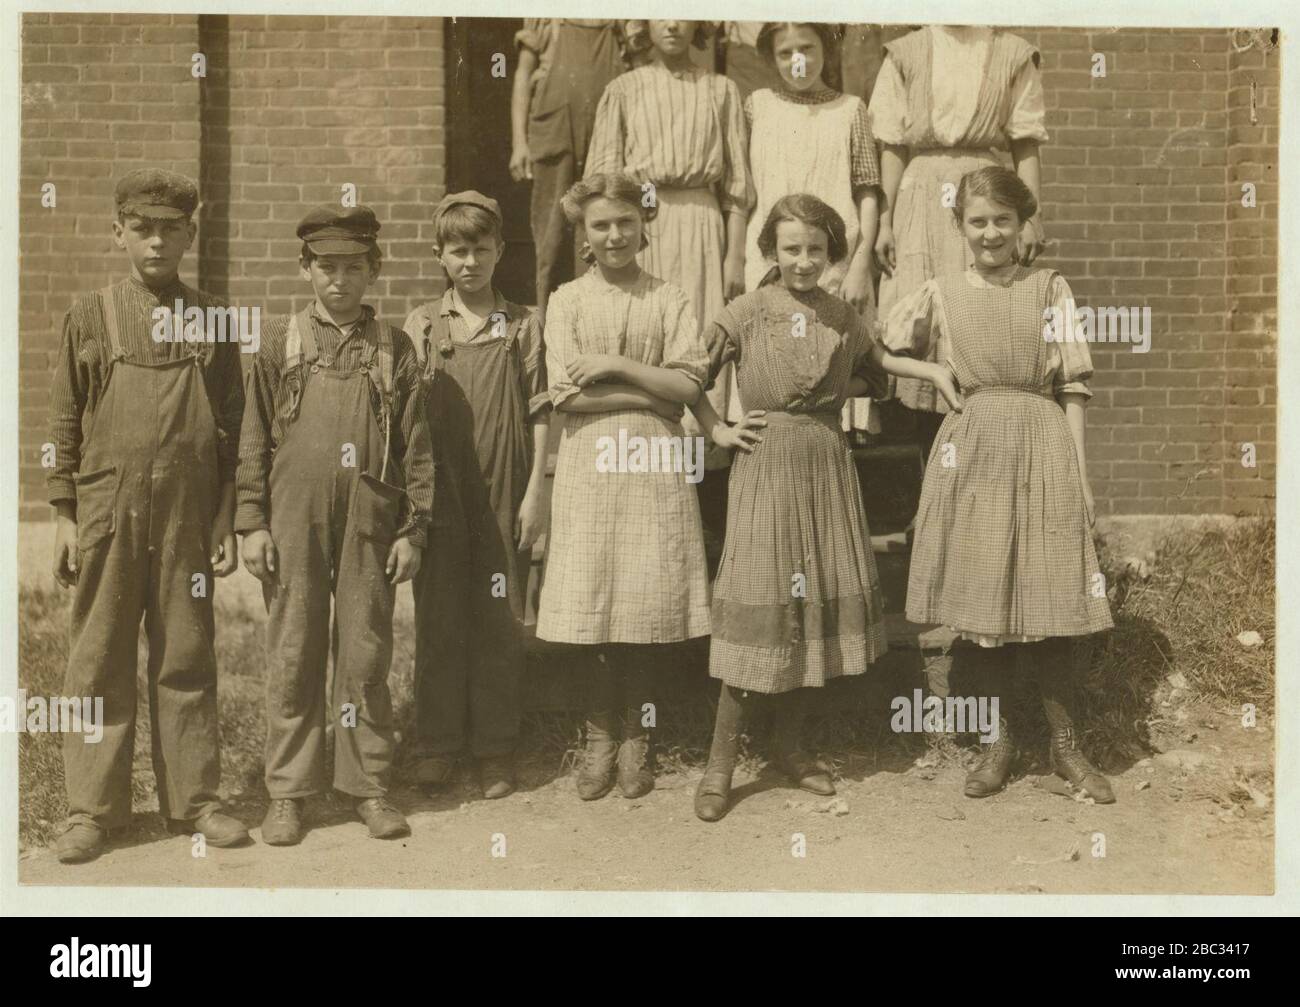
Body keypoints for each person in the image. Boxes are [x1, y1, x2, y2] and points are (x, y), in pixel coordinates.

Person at [872, 166, 1114, 802]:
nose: (990, 232)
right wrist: (926, 369)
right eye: (977, 221)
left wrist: (1081, 479)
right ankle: (998, 744)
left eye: (1002, 220)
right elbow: (874, 349)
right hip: (972, 449)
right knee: (984, 607)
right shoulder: (941, 290)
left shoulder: (1049, 288)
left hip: (1042, 446)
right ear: (959, 227)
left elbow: (1074, 387)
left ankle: (1067, 748)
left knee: (1054, 600)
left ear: (1021, 224)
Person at [47, 168, 248, 863]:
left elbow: (233, 426)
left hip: (188, 513)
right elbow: (65, 421)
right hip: (109, 511)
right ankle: (91, 809)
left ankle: (195, 799)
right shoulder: (89, 315)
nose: (157, 241)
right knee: (98, 654)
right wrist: (66, 515)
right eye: (142, 228)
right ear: (119, 232)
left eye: (171, 228)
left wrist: (224, 516)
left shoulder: (215, 321)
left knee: (186, 650)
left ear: (191, 233)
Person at [237, 206, 435, 844]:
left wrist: (414, 530)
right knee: (293, 650)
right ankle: (290, 791)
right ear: (305, 269)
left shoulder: (394, 347)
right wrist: (252, 522)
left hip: (370, 521)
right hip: (295, 520)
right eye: (326, 267)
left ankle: (366, 785)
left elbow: (417, 449)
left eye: (353, 267)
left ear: (374, 270)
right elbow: (251, 440)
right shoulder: (280, 341)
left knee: (366, 650)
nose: (339, 280)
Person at [690, 194, 889, 822]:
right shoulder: (745, 312)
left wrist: (833, 395)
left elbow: (877, 377)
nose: (804, 261)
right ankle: (720, 765)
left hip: (826, 465)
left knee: (813, 606)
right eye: (790, 249)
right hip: (764, 466)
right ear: (770, 252)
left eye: (816, 250)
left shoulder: (842, 316)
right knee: (761, 603)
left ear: (832, 253)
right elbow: (690, 377)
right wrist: (718, 429)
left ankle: (789, 748)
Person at [536, 173, 711, 801]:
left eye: (625, 223)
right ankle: (599, 736)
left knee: (644, 598)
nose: (614, 235)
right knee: (596, 597)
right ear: (585, 234)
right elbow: (565, 395)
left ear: (644, 225)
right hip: (590, 465)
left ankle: (641, 737)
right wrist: (653, 391)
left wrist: (614, 364)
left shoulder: (668, 298)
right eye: (601, 226)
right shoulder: (566, 301)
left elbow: (690, 386)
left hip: (654, 465)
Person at [584, 19, 754, 554]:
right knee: (644, 339)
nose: (673, 23)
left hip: (703, 226)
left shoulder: (721, 89)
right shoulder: (623, 90)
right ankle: (647, 506)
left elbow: (738, 186)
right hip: (638, 231)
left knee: (699, 354)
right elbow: (600, 186)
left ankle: (706, 515)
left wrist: (733, 254)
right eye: (659, 12)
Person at [402, 191, 550, 800]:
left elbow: (543, 412)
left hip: (506, 481)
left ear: (498, 252)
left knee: (498, 616)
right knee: (439, 615)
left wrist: (537, 490)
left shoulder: (522, 324)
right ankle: (436, 744)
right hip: (441, 491)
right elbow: (406, 418)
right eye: (457, 251)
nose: (470, 262)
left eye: (481, 249)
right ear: (440, 256)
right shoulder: (421, 326)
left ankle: (495, 748)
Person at [869, 24, 1049, 462]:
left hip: (984, 194)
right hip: (919, 201)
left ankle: (978, 477)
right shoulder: (905, 53)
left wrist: (1031, 217)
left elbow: (1025, 143)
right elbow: (892, 146)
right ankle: (929, 495)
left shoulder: (1012, 54)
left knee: (977, 326)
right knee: (922, 333)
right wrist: (886, 220)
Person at [510, 19, 645, 322]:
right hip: (555, 134)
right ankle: (549, 330)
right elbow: (522, 74)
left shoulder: (619, 19)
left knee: (602, 229)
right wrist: (519, 142)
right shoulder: (547, 17)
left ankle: (599, 323)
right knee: (552, 239)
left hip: (607, 138)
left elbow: (640, 79)